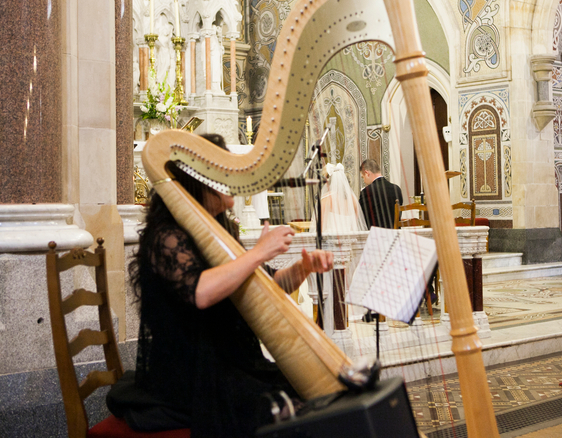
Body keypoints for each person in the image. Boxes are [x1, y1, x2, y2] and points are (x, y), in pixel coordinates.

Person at [107, 133, 334, 437]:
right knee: (290, 410)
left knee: (312, 392)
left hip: (222, 364)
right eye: (223, 174)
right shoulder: (166, 236)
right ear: (198, 181)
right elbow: (200, 292)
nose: (233, 181)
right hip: (188, 374)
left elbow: (265, 286)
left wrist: (303, 268)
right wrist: (258, 253)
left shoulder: (221, 230)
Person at [311, 162, 368, 235]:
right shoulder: (353, 199)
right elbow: (355, 225)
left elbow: (320, 228)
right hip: (348, 242)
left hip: (330, 242)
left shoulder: (325, 199)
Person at [359, 159, 403, 229]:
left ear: (367, 173)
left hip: (376, 237)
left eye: (363, 177)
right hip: (395, 236)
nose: (364, 181)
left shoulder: (367, 191)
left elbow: (361, 217)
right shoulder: (397, 189)